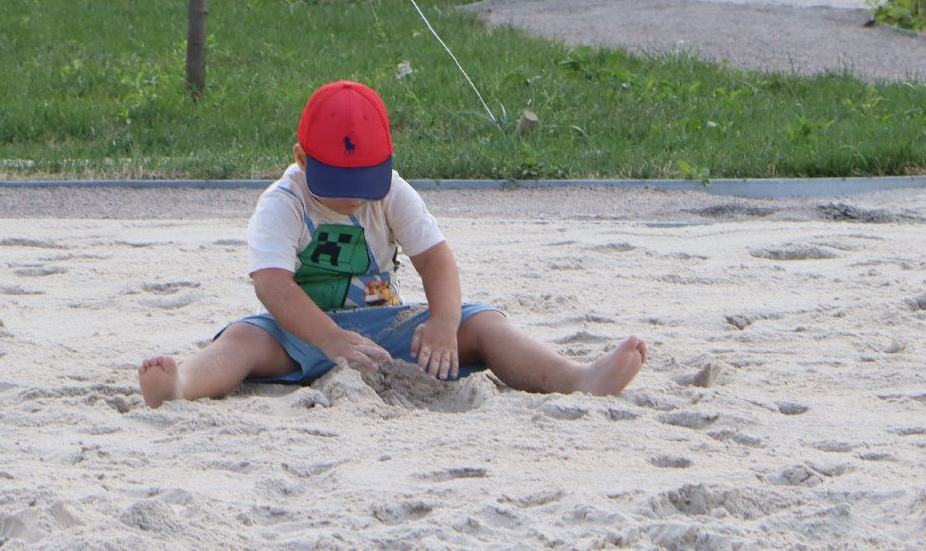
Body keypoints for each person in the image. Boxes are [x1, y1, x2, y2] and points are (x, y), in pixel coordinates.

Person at [136, 80, 648, 407]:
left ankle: (576, 378)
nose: (353, 198)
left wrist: (443, 324)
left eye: (365, 185)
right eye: (338, 186)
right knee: (241, 340)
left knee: (483, 323)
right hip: (299, 332)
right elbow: (272, 285)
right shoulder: (283, 202)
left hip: (385, 328)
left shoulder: (392, 191)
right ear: (301, 158)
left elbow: (435, 259)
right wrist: (330, 339)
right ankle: (181, 386)